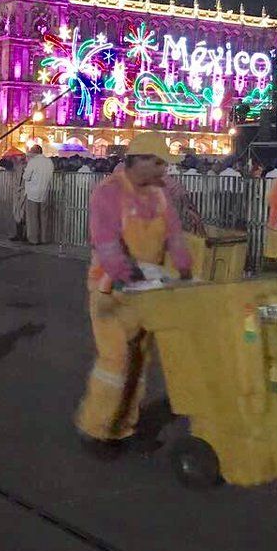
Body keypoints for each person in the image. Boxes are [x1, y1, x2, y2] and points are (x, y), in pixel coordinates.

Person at [74, 132, 193, 446]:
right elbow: (108, 245)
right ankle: (95, 429)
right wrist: (131, 277)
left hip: (148, 288)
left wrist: (183, 270)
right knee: (115, 360)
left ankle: (124, 425)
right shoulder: (108, 193)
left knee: (140, 360)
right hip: (111, 289)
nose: (164, 170)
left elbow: (175, 236)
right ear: (139, 161)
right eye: (158, 163)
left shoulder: (160, 194)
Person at [22, 145, 53, 245]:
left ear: (33, 153)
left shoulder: (33, 162)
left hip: (32, 193)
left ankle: (33, 239)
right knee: (44, 217)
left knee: (32, 217)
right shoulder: (49, 162)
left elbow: (26, 176)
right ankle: (44, 238)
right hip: (45, 192)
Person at [9, 152, 28, 242]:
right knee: (18, 212)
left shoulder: (26, 168)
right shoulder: (18, 168)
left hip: (24, 192)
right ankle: (19, 234)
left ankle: (24, 234)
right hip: (18, 192)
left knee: (23, 213)